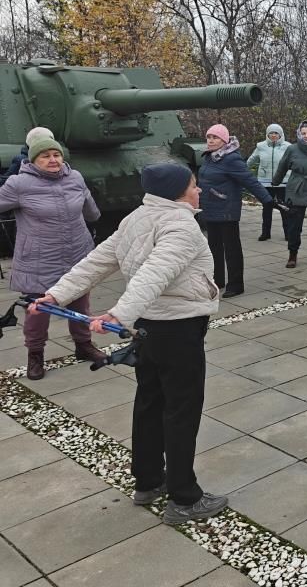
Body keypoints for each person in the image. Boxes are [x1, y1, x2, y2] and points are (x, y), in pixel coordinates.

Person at [36, 163, 228, 523]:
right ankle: (185, 498)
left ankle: (148, 481)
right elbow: (154, 273)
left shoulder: (136, 218)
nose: (199, 190)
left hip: (147, 328)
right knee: (181, 411)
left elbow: (97, 261)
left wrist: (57, 294)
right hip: (178, 329)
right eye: (193, 185)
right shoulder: (181, 224)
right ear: (176, 191)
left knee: (150, 402)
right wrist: (117, 313)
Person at [0, 138, 103, 378]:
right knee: (38, 311)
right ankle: (35, 355)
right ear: (33, 160)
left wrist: (90, 208)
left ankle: (84, 345)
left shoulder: (75, 178)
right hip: (39, 259)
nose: (52, 160)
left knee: (80, 304)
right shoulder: (19, 184)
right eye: (45, 156)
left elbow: (92, 212)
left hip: (76, 253)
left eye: (56, 155)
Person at [199, 124, 274, 297]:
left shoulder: (231, 159)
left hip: (227, 210)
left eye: (215, 137)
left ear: (224, 140)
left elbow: (249, 180)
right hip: (210, 209)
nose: (211, 140)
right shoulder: (209, 156)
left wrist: (267, 200)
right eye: (209, 137)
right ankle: (217, 280)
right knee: (213, 247)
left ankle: (236, 284)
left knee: (231, 248)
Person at [273, 120, 307, 269]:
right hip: (297, 189)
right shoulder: (292, 149)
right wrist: (275, 182)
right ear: (299, 134)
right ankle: (292, 254)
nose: (306, 136)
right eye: (303, 133)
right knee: (294, 226)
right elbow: (282, 166)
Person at [247, 123, 291, 242]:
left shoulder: (288, 147)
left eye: (276, 133)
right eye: (271, 133)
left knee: (284, 207)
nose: (273, 135)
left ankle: (288, 233)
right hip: (265, 183)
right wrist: (241, 170)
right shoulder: (261, 146)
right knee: (267, 208)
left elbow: (294, 162)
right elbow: (251, 160)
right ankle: (265, 233)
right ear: (267, 134)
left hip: (282, 182)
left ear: (281, 134)